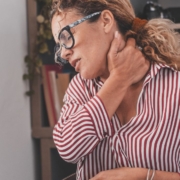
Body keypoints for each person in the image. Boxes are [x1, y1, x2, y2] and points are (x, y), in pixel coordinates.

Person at [50, 0, 180, 179]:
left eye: (66, 37)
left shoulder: (174, 86)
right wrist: (120, 79)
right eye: (60, 46)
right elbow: (68, 149)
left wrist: (145, 176)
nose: (64, 53)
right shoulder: (80, 88)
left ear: (105, 21)